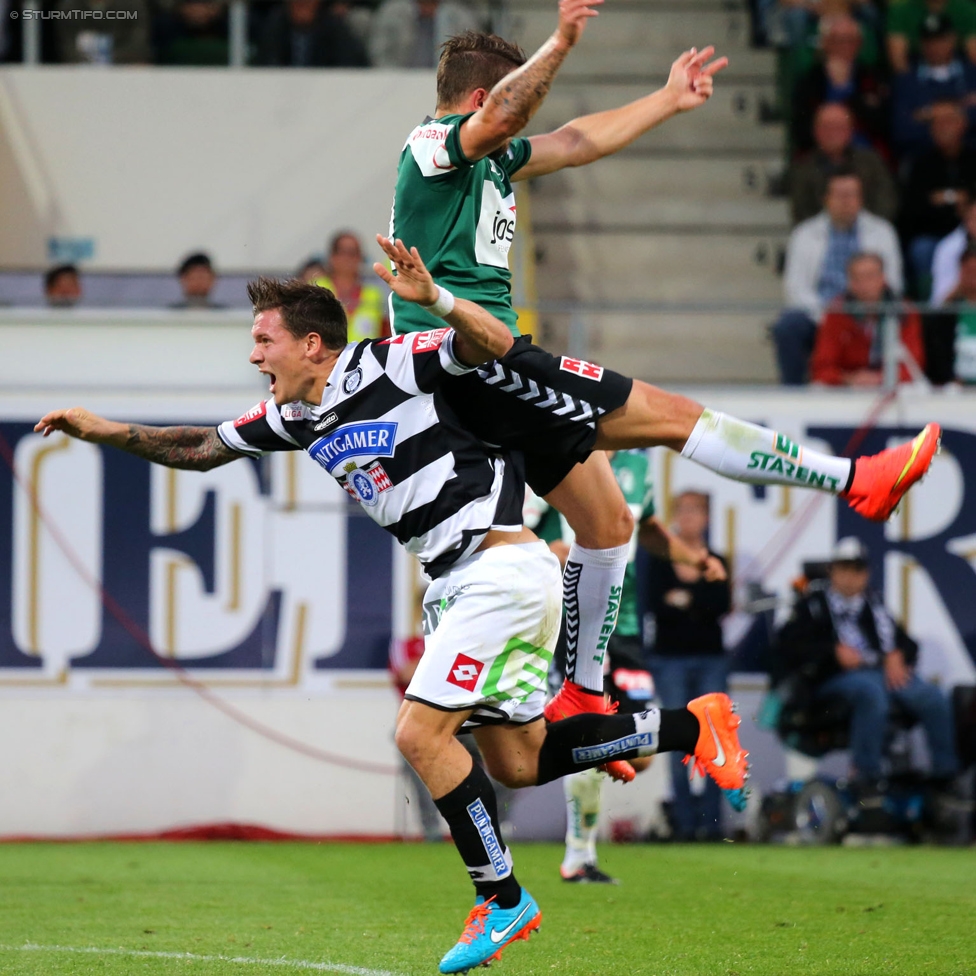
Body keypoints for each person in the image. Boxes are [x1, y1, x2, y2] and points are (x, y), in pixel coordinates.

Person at [34, 236, 750, 975]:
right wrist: (103, 430)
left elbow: (491, 346)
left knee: (419, 736)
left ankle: (502, 899)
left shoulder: (390, 362)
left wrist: (437, 298)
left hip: (498, 570)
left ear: (313, 344)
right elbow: (200, 446)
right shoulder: (297, 416)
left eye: (263, 340)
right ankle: (690, 727)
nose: (254, 356)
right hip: (462, 583)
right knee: (517, 762)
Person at [387, 5, 940, 783]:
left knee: (609, 522)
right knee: (673, 419)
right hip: (471, 363)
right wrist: (562, 44)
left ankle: (581, 696)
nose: (520, 124)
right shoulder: (431, 147)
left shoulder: (489, 163)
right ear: (483, 101)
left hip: (487, 372)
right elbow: (516, 112)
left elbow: (577, 140)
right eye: (506, 107)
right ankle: (857, 481)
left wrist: (665, 97)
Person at [527, 454, 728, 880]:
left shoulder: (636, 467)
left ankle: (589, 773)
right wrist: (550, 550)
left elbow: (651, 531)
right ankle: (579, 855)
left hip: (625, 624)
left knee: (639, 756)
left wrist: (693, 558)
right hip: (570, 621)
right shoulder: (552, 448)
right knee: (583, 728)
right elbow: (505, 533)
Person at [776, 536, 959, 796]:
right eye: (844, 568)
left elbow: (908, 644)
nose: (851, 576)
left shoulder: (874, 606)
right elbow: (789, 645)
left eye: (857, 569)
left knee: (932, 697)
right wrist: (831, 652)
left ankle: (946, 777)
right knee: (871, 692)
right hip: (833, 679)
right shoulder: (813, 605)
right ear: (832, 570)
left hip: (881, 673)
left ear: (867, 573)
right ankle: (867, 775)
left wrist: (898, 654)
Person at [647, 491, 731, 842]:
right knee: (678, 739)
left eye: (696, 511)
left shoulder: (716, 559)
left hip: (710, 657)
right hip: (670, 659)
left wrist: (683, 600)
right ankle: (684, 824)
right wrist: (697, 602)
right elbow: (654, 605)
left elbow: (721, 603)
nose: (689, 517)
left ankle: (712, 824)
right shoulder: (659, 559)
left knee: (714, 738)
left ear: (707, 518)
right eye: (683, 510)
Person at [773, 169, 903, 384]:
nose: (846, 201)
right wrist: (830, 315)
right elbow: (795, 288)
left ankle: (886, 384)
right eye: (839, 195)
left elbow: (893, 283)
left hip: (869, 313)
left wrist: (866, 307)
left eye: (852, 194)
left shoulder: (882, 232)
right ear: (826, 199)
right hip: (819, 314)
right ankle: (793, 395)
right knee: (788, 326)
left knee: (900, 316)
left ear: (861, 198)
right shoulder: (804, 234)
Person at [810, 252, 925, 385]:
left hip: (892, 387)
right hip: (848, 389)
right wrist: (849, 378)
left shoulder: (904, 311)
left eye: (869, 277)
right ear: (849, 283)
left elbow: (914, 366)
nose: (863, 285)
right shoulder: (837, 312)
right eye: (856, 278)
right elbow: (822, 367)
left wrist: (879, 378)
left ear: (883, 278)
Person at [900, 100, 976, 297]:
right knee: (921, 249)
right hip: (934, 234)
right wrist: (956, 200)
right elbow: (913, 209)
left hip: (972, 232)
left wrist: (944, 199)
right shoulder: (920, 163)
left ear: (963, 124)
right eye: (937, 123)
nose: (943, 128)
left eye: (949, 121)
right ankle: (931, 312)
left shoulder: (973, 159)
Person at [791, 14, 890, 157]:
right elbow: (801, 129)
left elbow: (882, 124)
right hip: (819, 155)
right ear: (826, 43)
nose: (845, 46)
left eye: (850, 41)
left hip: (864, 154)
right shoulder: (810, 80)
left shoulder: (873, 78)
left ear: (859, 44)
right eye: (838, 41)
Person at [789, 103, 897, 225]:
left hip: (869, 235)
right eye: (827, 127)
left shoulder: (871, 163)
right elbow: (801, 211)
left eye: (839, 127)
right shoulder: (803, 167)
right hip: (819, 238)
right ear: (815, 131)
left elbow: (886, 202)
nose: (832, 133)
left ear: (850, 130)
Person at [891, 13, 976, 156]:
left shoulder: (972, 75)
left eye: (940, 40)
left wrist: (928, 115)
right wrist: (960, 110)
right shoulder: (907, 81)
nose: (935, 47)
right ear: (921, 44)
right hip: (924, 157)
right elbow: (901, 129)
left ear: (952, 39)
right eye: (929, 41)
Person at [313, 232, 388, 341]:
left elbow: (384, 333)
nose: (349, 258)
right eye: (344, 252)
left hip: (366, 357)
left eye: (354, 253)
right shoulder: (316, 289)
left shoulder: (374, 294)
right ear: (332, 256)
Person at [369, 0, 480, 68]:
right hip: (398, 81)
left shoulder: (461, 16)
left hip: (448, 85)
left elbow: (473, 57)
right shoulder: (391, 12)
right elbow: (379, 54)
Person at [254, 0, 368, 67]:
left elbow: (347, 64)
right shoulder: (275, 26)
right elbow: (267, 63)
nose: (303, 2)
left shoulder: (335, 28)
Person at [923, 241, 976, 383]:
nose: (973, 276)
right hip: (955, 391)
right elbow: (937, 354)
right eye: (969, 270)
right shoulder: (947, 314)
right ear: (960, 271)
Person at [887, 0, 976, 75]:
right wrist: (911, 85)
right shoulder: (901, 11)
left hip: (960, 71)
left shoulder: (967, 10)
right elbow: (899, 63)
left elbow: (974, 57)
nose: (936, 47)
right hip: (916, 70)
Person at [54, 0, 152, 64]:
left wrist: (108, 60)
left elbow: (137, 43)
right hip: (80, 68)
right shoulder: (69, 6)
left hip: (123, 65)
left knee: (138, 66)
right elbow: (68, 47)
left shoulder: (132, 4)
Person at [930, 191, 976, 303]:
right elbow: (938, 303)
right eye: (974, 219)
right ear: (967, 219)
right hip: (957, 313)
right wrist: (967, 282)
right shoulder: (947, 248)